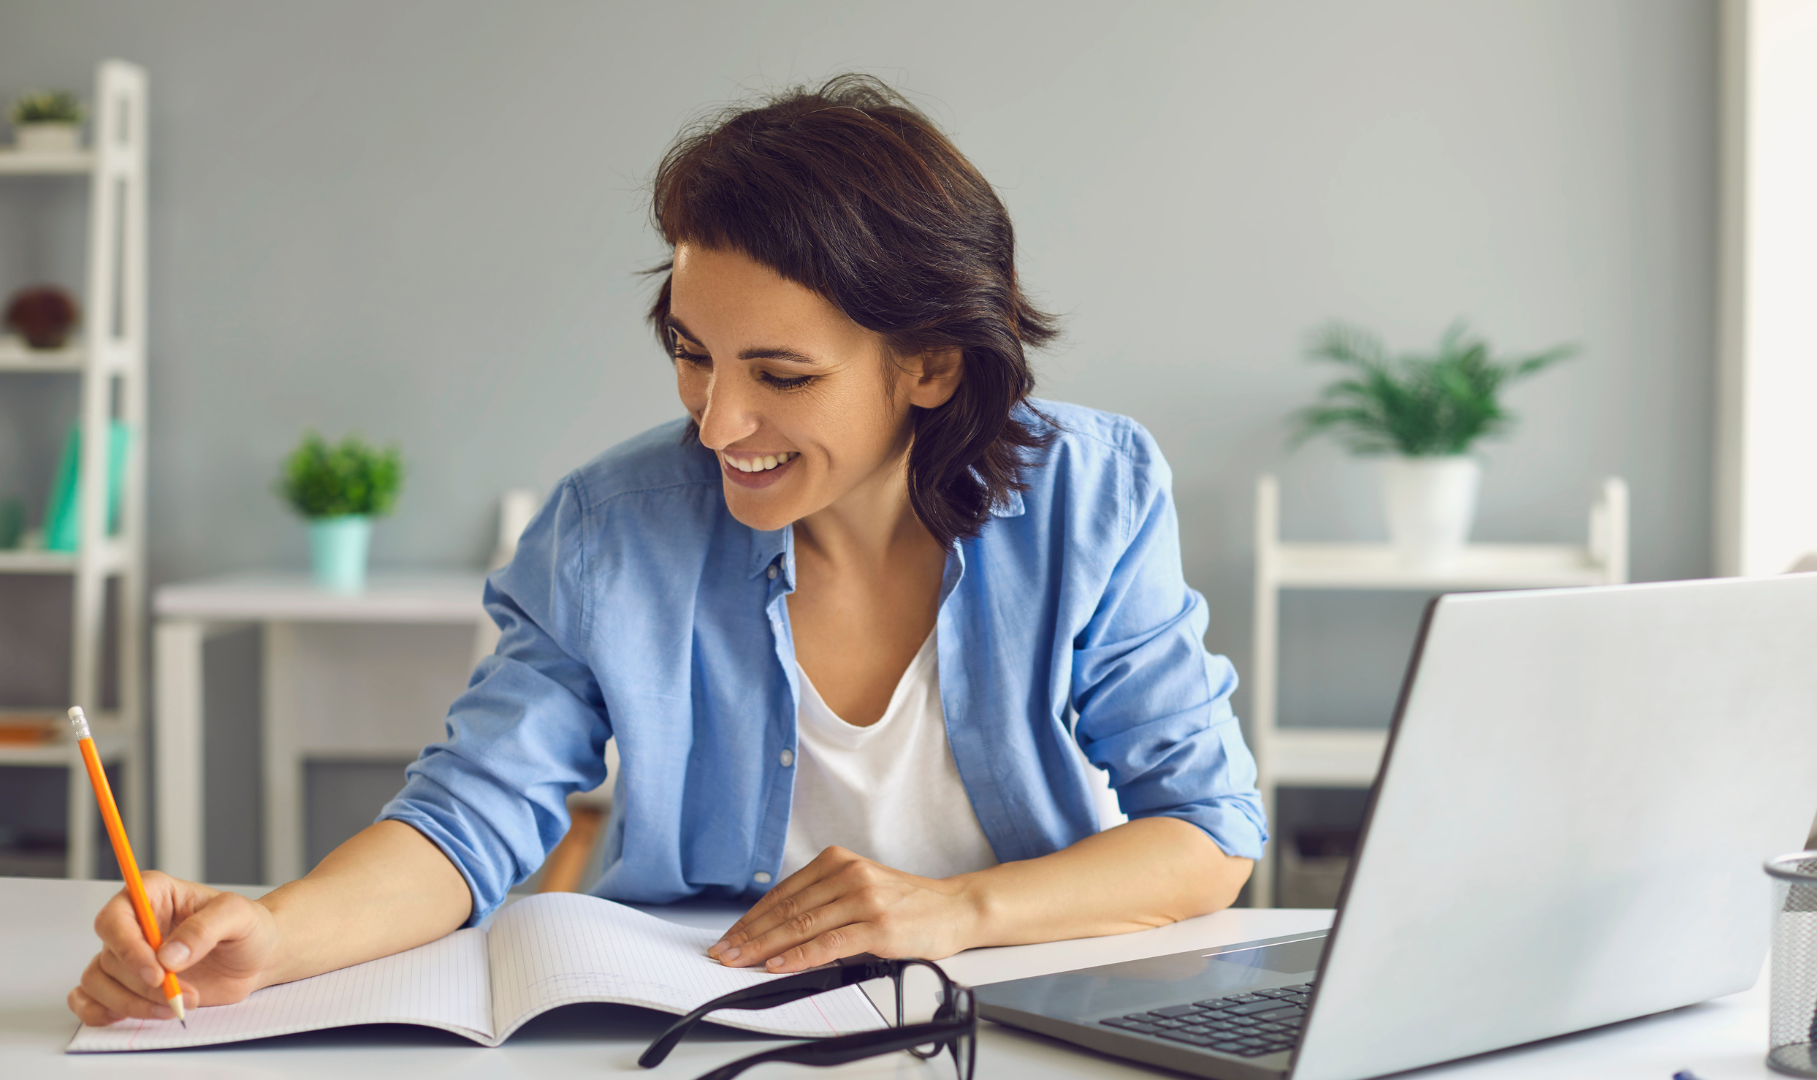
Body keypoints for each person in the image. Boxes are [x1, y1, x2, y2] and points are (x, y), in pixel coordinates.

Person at [68, 74, 1265, 1027]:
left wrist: (951, 911)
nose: (716, 422)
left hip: (1006, 1018)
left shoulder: (1086, 492)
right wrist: (272, 934)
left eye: (780, 375)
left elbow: (1211, 834)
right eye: (692, 351)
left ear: (932, 365)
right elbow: (467, 819)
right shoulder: (612, 526)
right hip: (693, 1026)